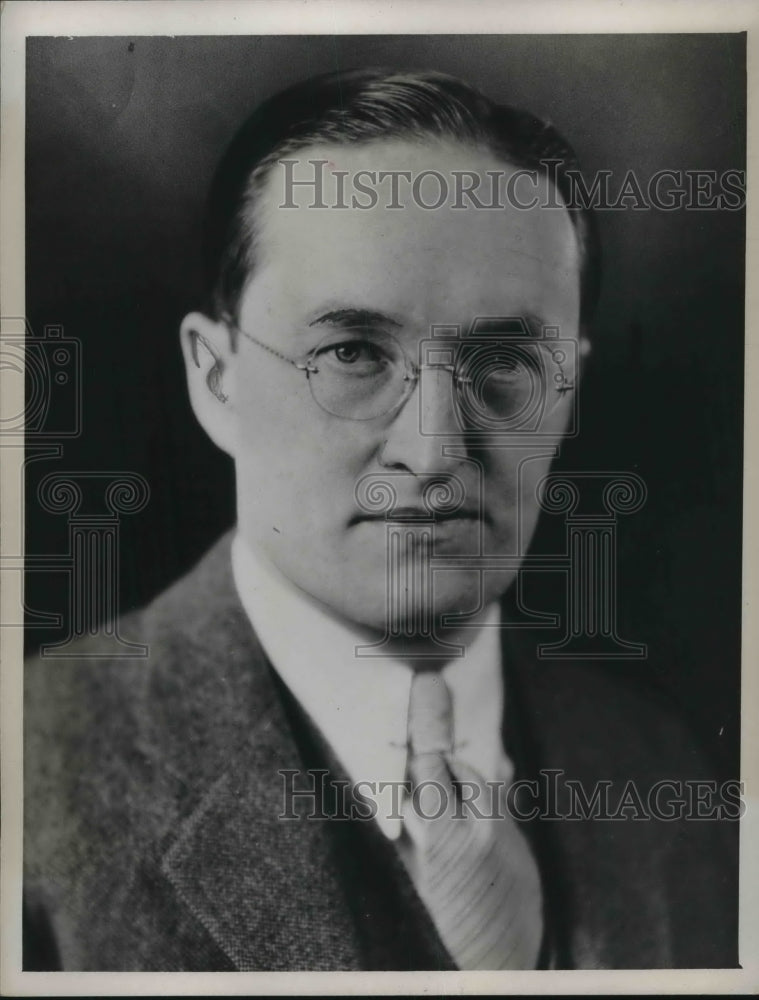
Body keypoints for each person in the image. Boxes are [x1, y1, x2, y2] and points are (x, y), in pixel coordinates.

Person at [23, 68, 738, 971]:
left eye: (505, 363)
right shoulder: (34, 780)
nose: (434, 448)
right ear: (218, 380)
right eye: (352, 353)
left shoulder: (666, 776)